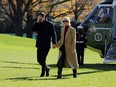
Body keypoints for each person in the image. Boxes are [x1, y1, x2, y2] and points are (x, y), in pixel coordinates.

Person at [32, 12, 57, 77]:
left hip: (46, 44)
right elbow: (33, 29)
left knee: (43, 59)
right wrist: (37, 22)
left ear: (44, 17)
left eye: (41, 18)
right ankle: (47, 68)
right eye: (39, 18)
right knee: (39, 59)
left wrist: (54, 43)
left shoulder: (49, 24)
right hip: (39, 44)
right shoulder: (38, 24)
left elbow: (53, 34)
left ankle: (43, 73)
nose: (40, 19)